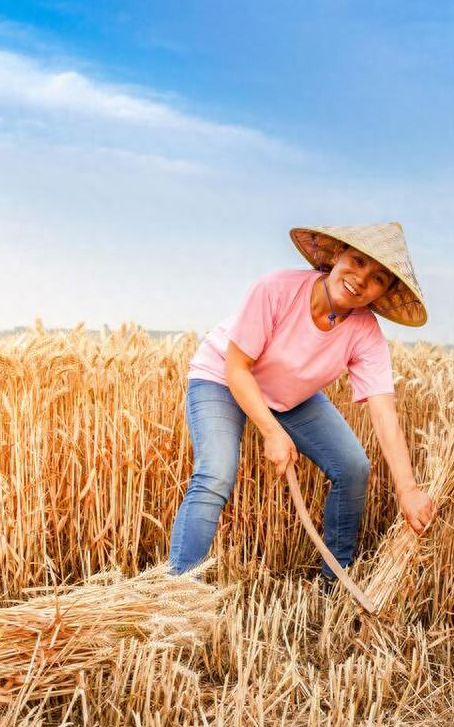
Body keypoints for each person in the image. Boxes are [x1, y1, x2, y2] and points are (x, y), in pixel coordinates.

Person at [168, 221, 437, 586]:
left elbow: (383, 410)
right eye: (357, 261)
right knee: (215, 474)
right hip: (223, 378)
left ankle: (334, 583)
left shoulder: (366, 332)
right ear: (337, 255)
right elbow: (237, 367)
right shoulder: (277, 288)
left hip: (290, 395)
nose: (360, 278)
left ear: (381, 293)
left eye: (376, 278)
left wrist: (408, 490)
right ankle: (180, 591)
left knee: (353, 467)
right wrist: (271, 431)